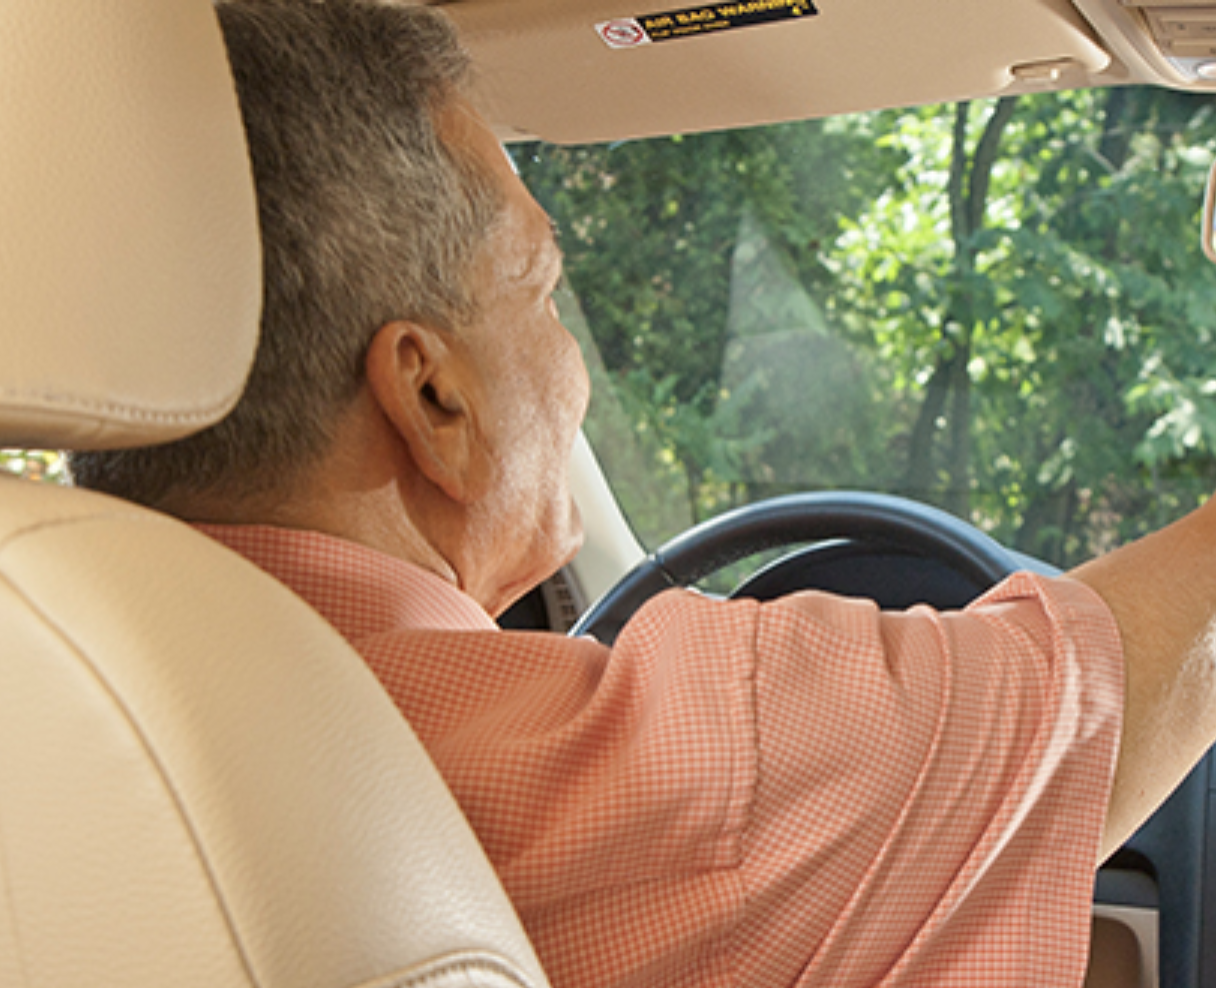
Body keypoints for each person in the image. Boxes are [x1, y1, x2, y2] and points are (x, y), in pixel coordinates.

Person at [69, 1, 1216, 985]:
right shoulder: (638, 775)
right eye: (542, 288)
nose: (571, 365)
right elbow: (1116, 698)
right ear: (432, 400)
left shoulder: (56, 709)